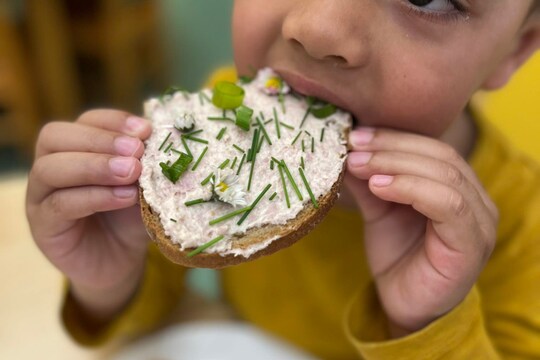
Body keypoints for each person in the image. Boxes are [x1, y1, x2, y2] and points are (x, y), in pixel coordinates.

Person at [26, 1, 540, 358]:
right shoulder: (224, 123)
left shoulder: (526, 225)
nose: (317, 29)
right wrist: (113, 281)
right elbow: (162, 323)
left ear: (517, 48)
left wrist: (426, 326)